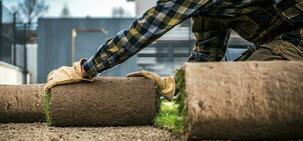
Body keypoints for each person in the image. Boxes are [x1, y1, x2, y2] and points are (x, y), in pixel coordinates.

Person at [45, 0, 303, 100]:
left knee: (238, 84)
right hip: (286, 43)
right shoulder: (209, 15)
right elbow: (207, 58)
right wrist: (179, 83)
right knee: (225, 78)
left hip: (296, 39)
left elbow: (146, 29)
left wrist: (86, 68)